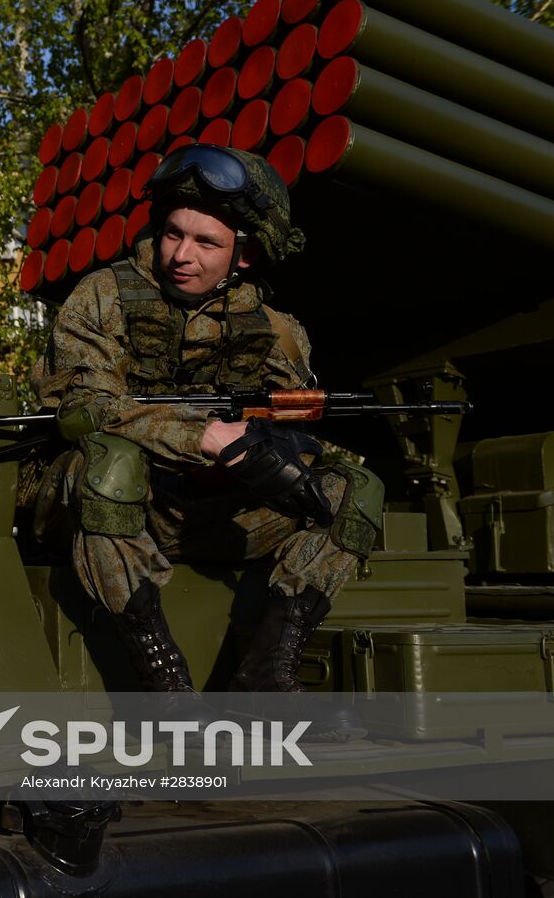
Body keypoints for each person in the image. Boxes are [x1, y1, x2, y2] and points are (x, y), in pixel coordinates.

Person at [31, 145, 382, 740]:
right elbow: (83, 407)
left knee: (354, 489)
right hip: (116, 510)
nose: (180, 256)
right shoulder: (104, 297)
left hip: (217, 512)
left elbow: (291, 421)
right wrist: (206, 436)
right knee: (108, 464)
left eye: (206, 244)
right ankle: (166, 690)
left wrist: (278, 453)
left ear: (243, 257)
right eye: (173, 234)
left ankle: (266, 678)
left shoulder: (274, 331)